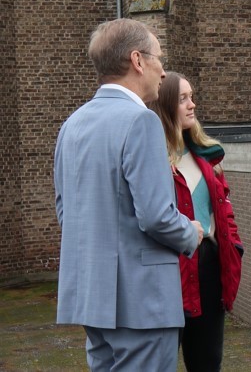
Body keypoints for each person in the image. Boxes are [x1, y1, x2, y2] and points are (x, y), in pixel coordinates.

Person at [54, 19, 203, 371]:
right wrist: (190, 233)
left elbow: (67, 212)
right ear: (137, 60)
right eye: (158, 59)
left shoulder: (71, 124)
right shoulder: (142, 121)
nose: (163, 72)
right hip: (142, 303)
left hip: (93, 298)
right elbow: (155, 216)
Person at [150, 71, 244, 372]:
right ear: (165, 106)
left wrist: (234, 249)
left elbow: (224, 213)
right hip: (171, 274)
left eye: (192, 97)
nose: (192, 105)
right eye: (182, 99)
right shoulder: (153, 160)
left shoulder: (207, 156)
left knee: (207, 363)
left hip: (209, 272)